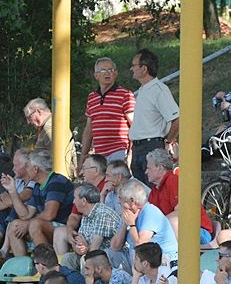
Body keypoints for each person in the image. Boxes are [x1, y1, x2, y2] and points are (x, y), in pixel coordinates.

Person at [5, 150, 75, 257]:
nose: (26, 169)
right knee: (14, 225)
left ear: (35, 169)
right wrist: (12, 191)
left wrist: (28, 224)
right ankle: (23, 267)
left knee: (35, 224)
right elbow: (25, 215)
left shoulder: (56, 181)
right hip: (50, 226)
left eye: (27, 166)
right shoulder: (38, 185)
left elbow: (49, 214)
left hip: (65, 228)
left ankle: (47, 264)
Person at [128, 48, 180, 184]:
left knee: (152, 191)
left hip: (151, 146)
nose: (131, 69)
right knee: (141, 194)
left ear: (144, 69)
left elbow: (177, 119)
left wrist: (168, 141)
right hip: (138, 148)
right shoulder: (143, 90)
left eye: (134, 65)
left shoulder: (159, 90)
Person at [145, 148, 214, 242]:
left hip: (200, 232)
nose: (146, 172)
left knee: (173, 222)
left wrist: (155, 229)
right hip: (176, 232)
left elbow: (180, 213)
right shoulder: (155, 188)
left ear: (160, 168)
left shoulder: (174, 181)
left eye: (149, 168)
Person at [53, 155, 108, 263]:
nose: (81, 173)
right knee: (60, 232)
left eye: (84, 169)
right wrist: (70, 231)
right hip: (85, 231)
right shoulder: (83, 190)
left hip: (102, 236)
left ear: (95, 170)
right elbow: (74, 216)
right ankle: (63, 271)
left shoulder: (107, 187)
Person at [81, 57, 135, 166]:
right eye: (103, 70)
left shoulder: (125, 95)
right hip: (99, 153)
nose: (108, 73)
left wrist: (131, 153)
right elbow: (89, 129)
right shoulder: (92, 97)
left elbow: (135, 125)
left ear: (115, 73)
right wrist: (83, 155)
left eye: (110, 70)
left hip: (119, 150)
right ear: (96, 75)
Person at [110, 179, 178, 265]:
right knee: (110, 254)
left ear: (132, 201)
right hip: (142, 262)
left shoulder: (150, 212)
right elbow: (115, 246)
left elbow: (142, 247)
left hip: (164, 261)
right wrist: (124, 223)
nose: (118, 202)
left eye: (121, 199)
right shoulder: (128, 213)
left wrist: (132, 225)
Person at [59, 184, 123, 272]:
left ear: (84, 201)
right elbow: (79, 241)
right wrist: (78, 247)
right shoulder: (86, 214)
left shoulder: (102, 214)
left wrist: (86, 248)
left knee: (85, 260)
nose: (73, 202)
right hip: (93, 252)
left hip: (112, 256)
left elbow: (94, 250)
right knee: (68, 258)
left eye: (75, 198)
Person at [23, 98, 77, 177]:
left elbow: (58, 159)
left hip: (57, 179)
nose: (28, 122)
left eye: (29, 117)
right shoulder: (50, 126)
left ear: (38, 111)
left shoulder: (50, 129)